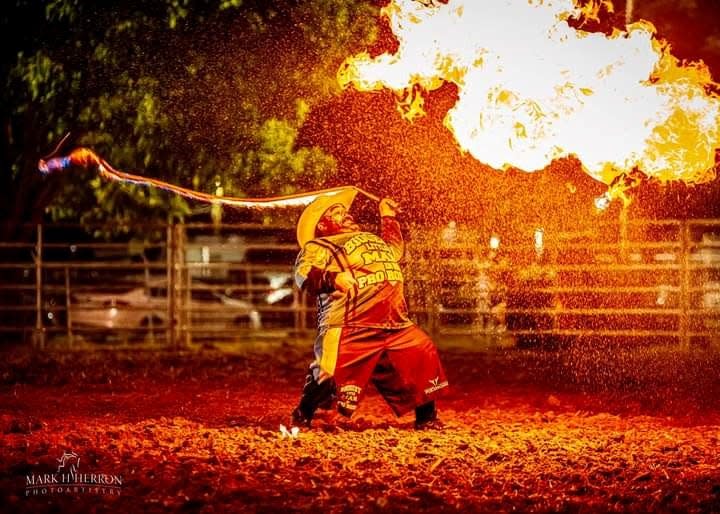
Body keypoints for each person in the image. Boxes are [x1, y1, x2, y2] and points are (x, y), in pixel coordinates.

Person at [290, 188, 448, 429]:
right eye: (336, 212)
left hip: (395, 323)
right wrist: (332, 279)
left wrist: (387, 216)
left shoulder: (371, 240)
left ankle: (427, 418)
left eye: (344, 211)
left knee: (421, 353)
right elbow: (302, 275)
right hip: (349, 324)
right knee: (328, 372)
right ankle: (303, 414)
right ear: (322, 226)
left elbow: (394, 251)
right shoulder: (317, 246)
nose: (346, 214)